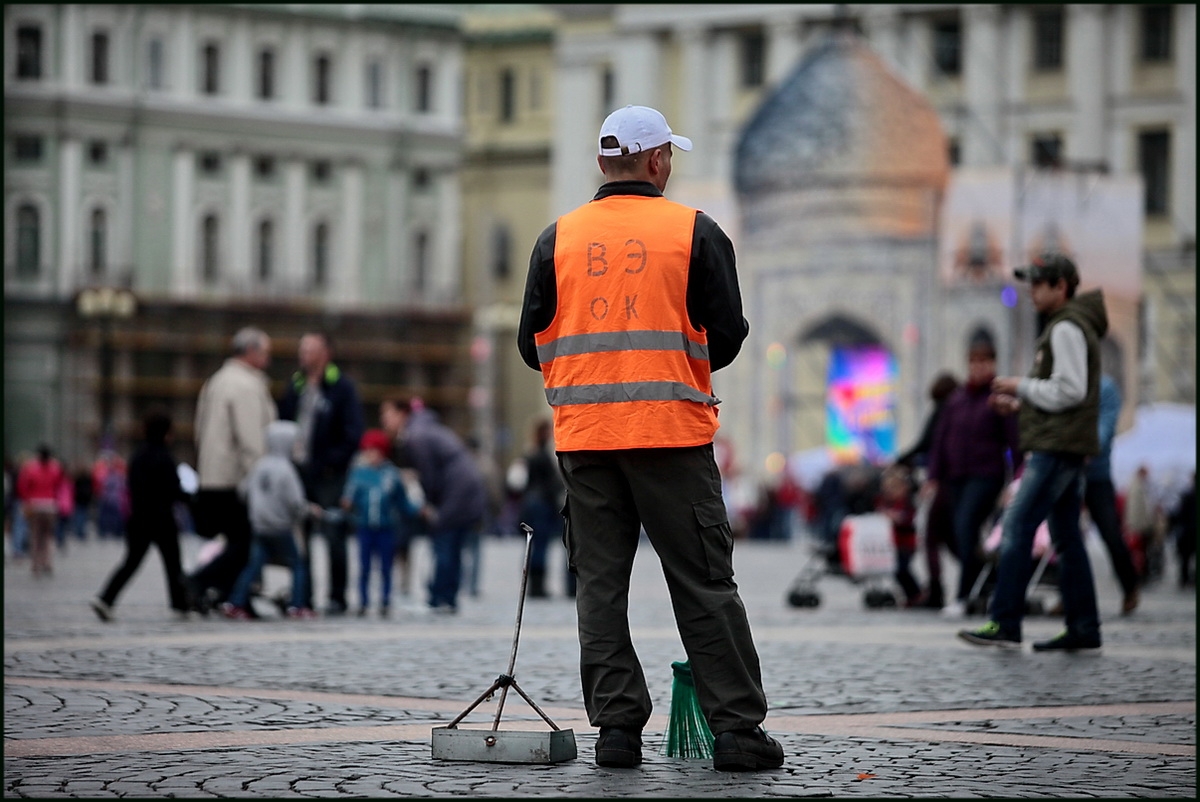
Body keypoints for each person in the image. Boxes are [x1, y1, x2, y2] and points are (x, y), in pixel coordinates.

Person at [517, 104, 783, 771]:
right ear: (658, 160)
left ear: (605, 162)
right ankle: (738, 735)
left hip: (585, 441)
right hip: (671, 437)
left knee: (599, 587)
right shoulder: (694, 231)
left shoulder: (558, 239)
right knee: (703, 583)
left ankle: (616, 733)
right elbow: (728, 334)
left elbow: (530, 345)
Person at [959, 252, 1107, 652]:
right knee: (1066, 538)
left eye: (1040, 284)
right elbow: (1065, 395)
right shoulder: (1068, 325)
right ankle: (1084, 626)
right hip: (1064, 442)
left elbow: (1071, 390)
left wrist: (1018, 386)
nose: (1032, 291)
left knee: (1018, 525)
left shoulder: (1066, 328)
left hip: (1055, 448)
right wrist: (1022, 405)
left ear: (1062, 286)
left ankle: (1006, 620)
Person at [925, 333, 1022, 618]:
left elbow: (1014, 440)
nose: (978, 368)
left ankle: (964, 595)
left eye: (984, 362)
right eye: (973, 362)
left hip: (986, 475)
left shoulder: (998, 398)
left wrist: (1016, 478)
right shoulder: (957, 399)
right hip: (956, 476)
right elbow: (942, 439)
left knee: (967, 526)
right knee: (957, 532)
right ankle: (983, 580)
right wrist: (934, 475)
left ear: (992, 364)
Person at [187, 327, 277, 613]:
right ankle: (200, 581)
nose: (268, 358)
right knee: (247, 543)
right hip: (236, 478)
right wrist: (262, 478)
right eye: (265, 352)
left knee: (236, 542)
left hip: (213, 474)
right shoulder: (245, 385)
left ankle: (230, 594)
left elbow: (199, 429)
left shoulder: (216, 381)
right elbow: (252, 438)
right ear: (250, 352)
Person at [277, 331, 364, 616]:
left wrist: (331, 462)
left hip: (329, 475)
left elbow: (353, 434)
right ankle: (304, 596)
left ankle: (337, 596)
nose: (304, 355)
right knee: (301, 537)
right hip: (298, 472)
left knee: (334, 535)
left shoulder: (341, 387)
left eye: (310, 349)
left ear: (326, 353)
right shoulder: (296, 385)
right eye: (302, 349)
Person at [382, 397, 487, 614]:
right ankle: (447, 597)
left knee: (444, 541)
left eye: (388, 414)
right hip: (466, 488)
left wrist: (429, 505)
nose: (385, 421)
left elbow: (429, 476)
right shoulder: (425, 429)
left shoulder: (416, 436)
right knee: (453, 544)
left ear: (402, 414)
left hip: (456, 492)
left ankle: (439, 597)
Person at [91, 408, 191, 622]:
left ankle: (106, 598)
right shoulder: (165, 457)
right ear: (166, 432)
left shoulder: (137, 455)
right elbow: (173, 489)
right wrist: (192, 498)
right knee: (173, 564)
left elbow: (131, 486)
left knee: (131, 562)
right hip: (163, 519)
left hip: (138, 518)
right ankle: (181, 604)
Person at [221, 420, 318, 621]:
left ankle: (235, 602)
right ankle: (297, 605)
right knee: (299, 564)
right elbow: (296, 503)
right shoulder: (286, 470)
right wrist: (308, 511)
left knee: (254, 564)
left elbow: (243, 491)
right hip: (281, 527)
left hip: (260, 526)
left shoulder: (259, 466)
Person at [896, 372, 960, 609]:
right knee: (953, 538)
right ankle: (980, 578)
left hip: (943, 480)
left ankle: (937, 590)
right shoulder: (959, 408)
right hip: (958, 480)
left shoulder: (943, 410)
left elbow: (928, 443)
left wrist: (901, 459)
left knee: (932, 536)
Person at [341, 428, 419, 617]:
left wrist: (417, 510)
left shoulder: (391, 474)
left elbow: (402, 502)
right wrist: (347, 504)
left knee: (386, 567)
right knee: (364, 567)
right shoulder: (358, 474)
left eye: (375, 451)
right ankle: (363, 601)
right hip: (365, 527)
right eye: (368, 451)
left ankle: (385, 601)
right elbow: (349, 497)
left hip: (386, 528)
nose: (371, 455)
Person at [1080, 373, 1141, 614]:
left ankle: (1130, 586)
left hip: (1096, 474)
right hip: (1066, 469)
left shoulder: (1104, 388)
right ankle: (1070, 595)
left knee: (1111, 534)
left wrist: (1082, 447)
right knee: (1064, 537)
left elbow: (1104, 430)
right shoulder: (1061, 381)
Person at [514, 418, 567, 598]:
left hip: (532, 502)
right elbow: (551, 484)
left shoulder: (530, 452)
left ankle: (535, 586)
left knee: (535, 545)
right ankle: (537, 587)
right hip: (542, 504)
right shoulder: (543, 455)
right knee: (541, 546)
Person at [16, 444, 66, 576]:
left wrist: (27, 500)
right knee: (48, 536)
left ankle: (35, 564)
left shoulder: (31, 468)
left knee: (35, 535)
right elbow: (59, 484)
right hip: (50, 504)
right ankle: (47, 562)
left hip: (34, 504)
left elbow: (23, 486)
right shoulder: (56, 468)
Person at [877, 464, 921, 606]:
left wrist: (895, 518)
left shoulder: (907, 503)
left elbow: (908, 520)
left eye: (894, 488)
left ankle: (915, 594)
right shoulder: (886, 503)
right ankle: (910, 595)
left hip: (906, 543)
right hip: (893, 543)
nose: (890, 492)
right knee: (897, 570)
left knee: (902, 569)